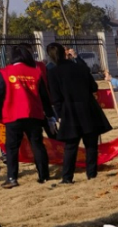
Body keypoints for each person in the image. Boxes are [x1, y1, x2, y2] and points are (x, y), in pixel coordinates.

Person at [45, 42, 112, 184]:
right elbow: (93, 86)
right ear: (65, 52)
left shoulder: (52, 72)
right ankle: (91, 174)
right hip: (88, 108)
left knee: (70, 146)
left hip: (69, 111)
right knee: (91, 144)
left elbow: (56, 98)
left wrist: (60, 115)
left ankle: (67, 177)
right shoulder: (80, 67)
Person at [0, 45, 51, 189]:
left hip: (12, 114)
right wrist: (50, 114)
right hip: (34, 114)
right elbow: (44, 96)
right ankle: (44, 175)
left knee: (12, 148)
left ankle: (12, 177)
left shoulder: (5, 73)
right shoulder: (36, 73)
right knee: (37, 145)